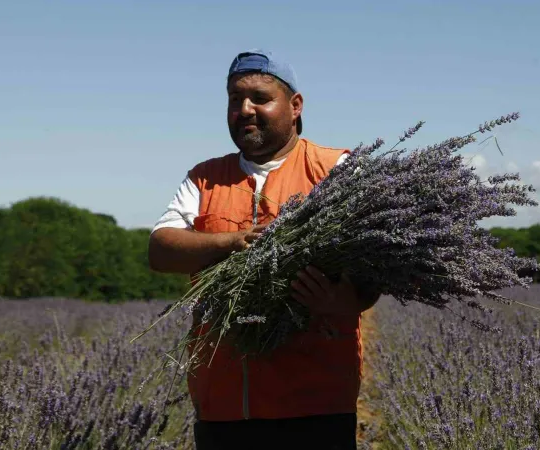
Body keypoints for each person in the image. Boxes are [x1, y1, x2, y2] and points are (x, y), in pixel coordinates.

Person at [148, 49, 380, 449]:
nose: (245, 109)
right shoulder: (205, 178)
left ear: (295, 106)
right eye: (234, 99)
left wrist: (338, 300)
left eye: (259, 97)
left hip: (314, 404)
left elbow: (374, 270)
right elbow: (160, 249)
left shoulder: (337, 170)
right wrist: (232, 242)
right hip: (223, 403)